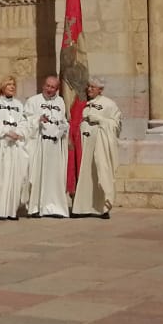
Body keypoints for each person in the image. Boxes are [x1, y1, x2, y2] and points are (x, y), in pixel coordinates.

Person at [69, 77, 121, 218]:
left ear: (100, 89)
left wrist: (100, 120)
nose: (89, 89)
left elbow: (116, 125)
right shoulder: (83, 103)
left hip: (99, 144)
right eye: (89, 86)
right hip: (84, 144)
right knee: (84, 174)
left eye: (93, 87)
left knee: (99, 173)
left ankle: (101, 208)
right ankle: (81, 208)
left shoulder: (109, 105)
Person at [0, 75, 30, 219]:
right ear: (2, 86)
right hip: (1, 144)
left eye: (13, 84)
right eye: (9, 84)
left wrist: (18, 133)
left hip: (15, 146)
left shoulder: (19, 104)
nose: (12, 87)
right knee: (1, 177)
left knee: (15, 177)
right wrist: (6, 132)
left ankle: (11, 210)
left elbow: (23, 122)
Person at [25, 75, 71, 218]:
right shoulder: (33, 101)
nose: (49, 89)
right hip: (40, 144)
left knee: (54, 177)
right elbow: (25, 120)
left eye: (53, 87)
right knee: (39, 175)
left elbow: (64, 120)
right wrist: (37, 119)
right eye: (47, 86)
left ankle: (55, 207)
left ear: (57, 89)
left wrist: (64, 127)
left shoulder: (61, 102)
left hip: (55, 145)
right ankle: (36, 207)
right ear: (43, 86)